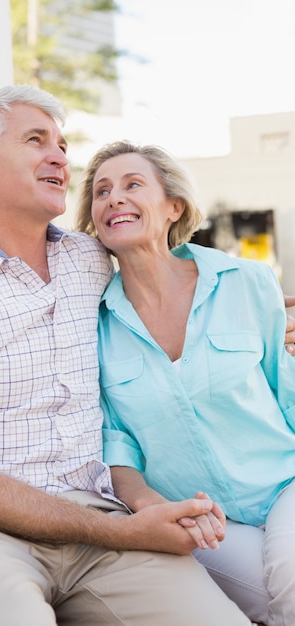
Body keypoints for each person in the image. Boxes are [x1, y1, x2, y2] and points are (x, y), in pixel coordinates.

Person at [0, 85, 254, 626]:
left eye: (61, 144)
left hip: (100, 533)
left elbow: (172, 269)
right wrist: (125, 529)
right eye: (36, 141)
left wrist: (270, 318)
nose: (59, 156)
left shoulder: (92, 259)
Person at [76, 139, 295, 626]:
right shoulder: (96, 325)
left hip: (285, 484)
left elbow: (287, 390)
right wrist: (149, 506)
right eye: (102, 191)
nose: (114, 198)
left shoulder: (247, 281)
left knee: (292, 580)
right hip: (196, 515)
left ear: (174, 205)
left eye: (133, 184)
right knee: (269, 597)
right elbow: (117, 445)